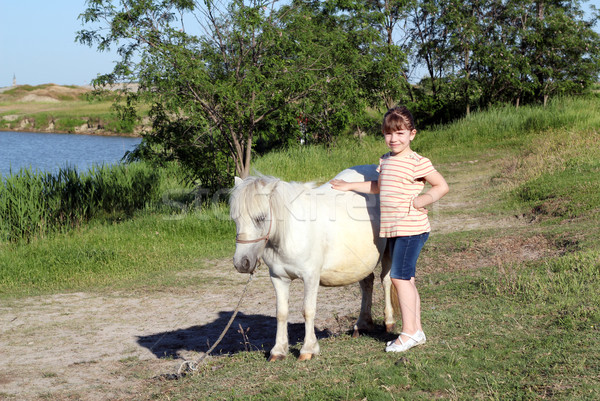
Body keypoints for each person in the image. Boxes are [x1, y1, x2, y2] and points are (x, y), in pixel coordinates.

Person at [330, 105, 449, 353]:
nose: (394, 139)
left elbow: (441, 186)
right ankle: (416, 330)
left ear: (412, 134)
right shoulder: (385, 160)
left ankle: (408, 334)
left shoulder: (418, 162)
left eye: (400, 134)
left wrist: (421, 201)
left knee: (399, 278)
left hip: (412, 228)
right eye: (388, 134)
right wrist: (349, 186)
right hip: (394, 230)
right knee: (408, 279)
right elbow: (378, 187)